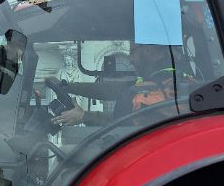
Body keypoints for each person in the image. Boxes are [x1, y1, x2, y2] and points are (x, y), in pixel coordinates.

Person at [51, 43, 195, 127]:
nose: (131, 60)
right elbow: (112, 89)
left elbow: (121, 124)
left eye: (132, 52)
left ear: (148, 50)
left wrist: (84, 116)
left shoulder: (156, 92)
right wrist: (67, 86)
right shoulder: (162, 81)